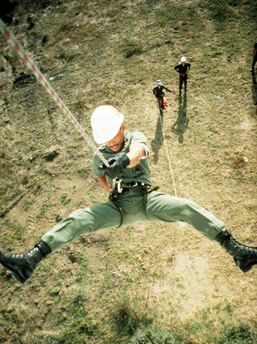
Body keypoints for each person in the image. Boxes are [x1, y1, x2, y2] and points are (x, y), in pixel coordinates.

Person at [0, 105, 257, 284]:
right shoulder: (99, 154)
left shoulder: (136, 136)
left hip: (147, 200)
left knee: (186, 207)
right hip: (118, 207)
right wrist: (108, 187)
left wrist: (123, 160)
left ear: (122, 125)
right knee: (78, 219)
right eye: (107, 142)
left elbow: (138, 154)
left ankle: (235, 249)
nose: (111, 144)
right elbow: (98, 174)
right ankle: (31, 260)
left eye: (114, 138)